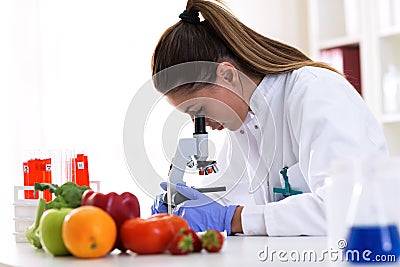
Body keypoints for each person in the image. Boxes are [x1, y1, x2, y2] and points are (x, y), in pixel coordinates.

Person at [150, 0, 388, 236]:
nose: (202, 125)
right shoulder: (243, 124)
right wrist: (189, 206)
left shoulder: (316, 92)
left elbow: (347, 207)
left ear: (227, 75)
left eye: (199, 111)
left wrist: (229, 218)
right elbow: (238, 201)